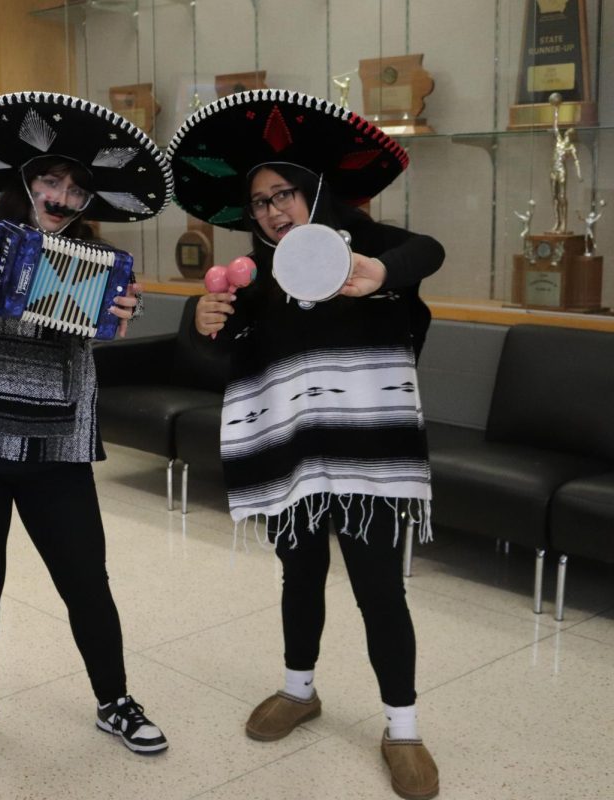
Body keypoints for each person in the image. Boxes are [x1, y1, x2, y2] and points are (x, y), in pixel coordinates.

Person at [168, 90, 445, 800]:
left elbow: (428, 251)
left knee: (381, 590)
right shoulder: (254, 279)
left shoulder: (362, 245)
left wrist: (379, 275)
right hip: (292, 457)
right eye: (258, 203)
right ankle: (300, 690)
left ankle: (404, 728)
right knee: (299, 577)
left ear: (314, 191)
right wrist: (199, 320)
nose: (270, 212)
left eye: (282, 194)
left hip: (368, 455)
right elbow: (208, 356)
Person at [0, 91, 174, 760]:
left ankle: (114, 700)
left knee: (86, 580)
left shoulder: (102, 267)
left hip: (57, 448)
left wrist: (123, 310)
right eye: (50, 180)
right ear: (25, 182)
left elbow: (106, 325)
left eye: (76, 188)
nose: (60, 196)